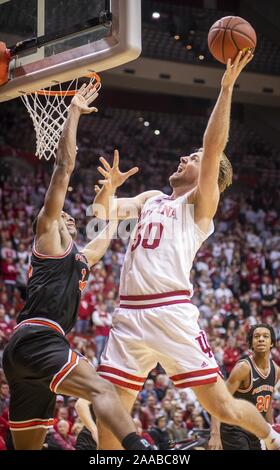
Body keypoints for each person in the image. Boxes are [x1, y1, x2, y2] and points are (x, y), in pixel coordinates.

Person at [77, 51, 280, 450]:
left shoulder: (200, 204)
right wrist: (109, 188)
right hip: (129, 314)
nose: (184, 157)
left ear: (210, 175)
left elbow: (213, 142)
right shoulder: (153, 198)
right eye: (186, 156)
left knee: (220, 404)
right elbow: (101, 215)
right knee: (108, 420)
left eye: (193, 159)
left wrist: (225, 87)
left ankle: (271, 436)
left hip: (171, 311)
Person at [2, 83, 152, 451]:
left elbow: (105, 234)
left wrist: (113, 193)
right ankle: (140, 450)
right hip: (38, 338)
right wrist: (72, 113)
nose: (68, 216)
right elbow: (64, 165)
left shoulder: (80, 257)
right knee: (102, 388)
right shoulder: (48, 234)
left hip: (28, 354)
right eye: (63, 214)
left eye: (71, 216)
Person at [208, 324, 280, 450]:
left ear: (272, 343)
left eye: (265, 336)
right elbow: (220, 400)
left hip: (255, 430)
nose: (261, 339)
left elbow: (267, 405)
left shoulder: (276, 370)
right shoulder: (243, 368)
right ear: (251, 344)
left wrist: (271, 432)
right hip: (234, 429)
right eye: (256, 336)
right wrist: (215, 433)